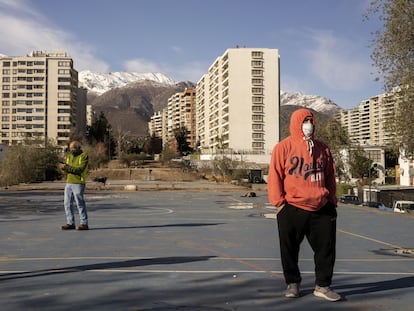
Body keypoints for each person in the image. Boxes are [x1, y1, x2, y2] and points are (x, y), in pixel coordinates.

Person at [267, 108, 341, 301]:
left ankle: (323, 286)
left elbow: (330, 175)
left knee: (326, 249)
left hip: (321, 207)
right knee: (289, 249)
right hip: (292, 206)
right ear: (296, 123)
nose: (308, 124)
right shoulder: (283, 147)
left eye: (311, 120)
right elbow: (274, 176)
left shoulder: (322, 148)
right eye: (304, 120)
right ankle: (292, 283)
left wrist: (332, 200)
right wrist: (279, 204)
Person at [59, 140, 89, 231]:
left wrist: (67, 167)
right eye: (70, 149)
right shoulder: (69, 156)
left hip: (78, 183)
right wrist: (63, 168)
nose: (72, 150)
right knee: (67, 203)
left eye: (73, 149)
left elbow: (80, 169)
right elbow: (67, 169)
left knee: (80, 203)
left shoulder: (84, 156)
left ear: (78, 148)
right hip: (69, 182)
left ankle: (84, 223)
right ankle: (70, 222)